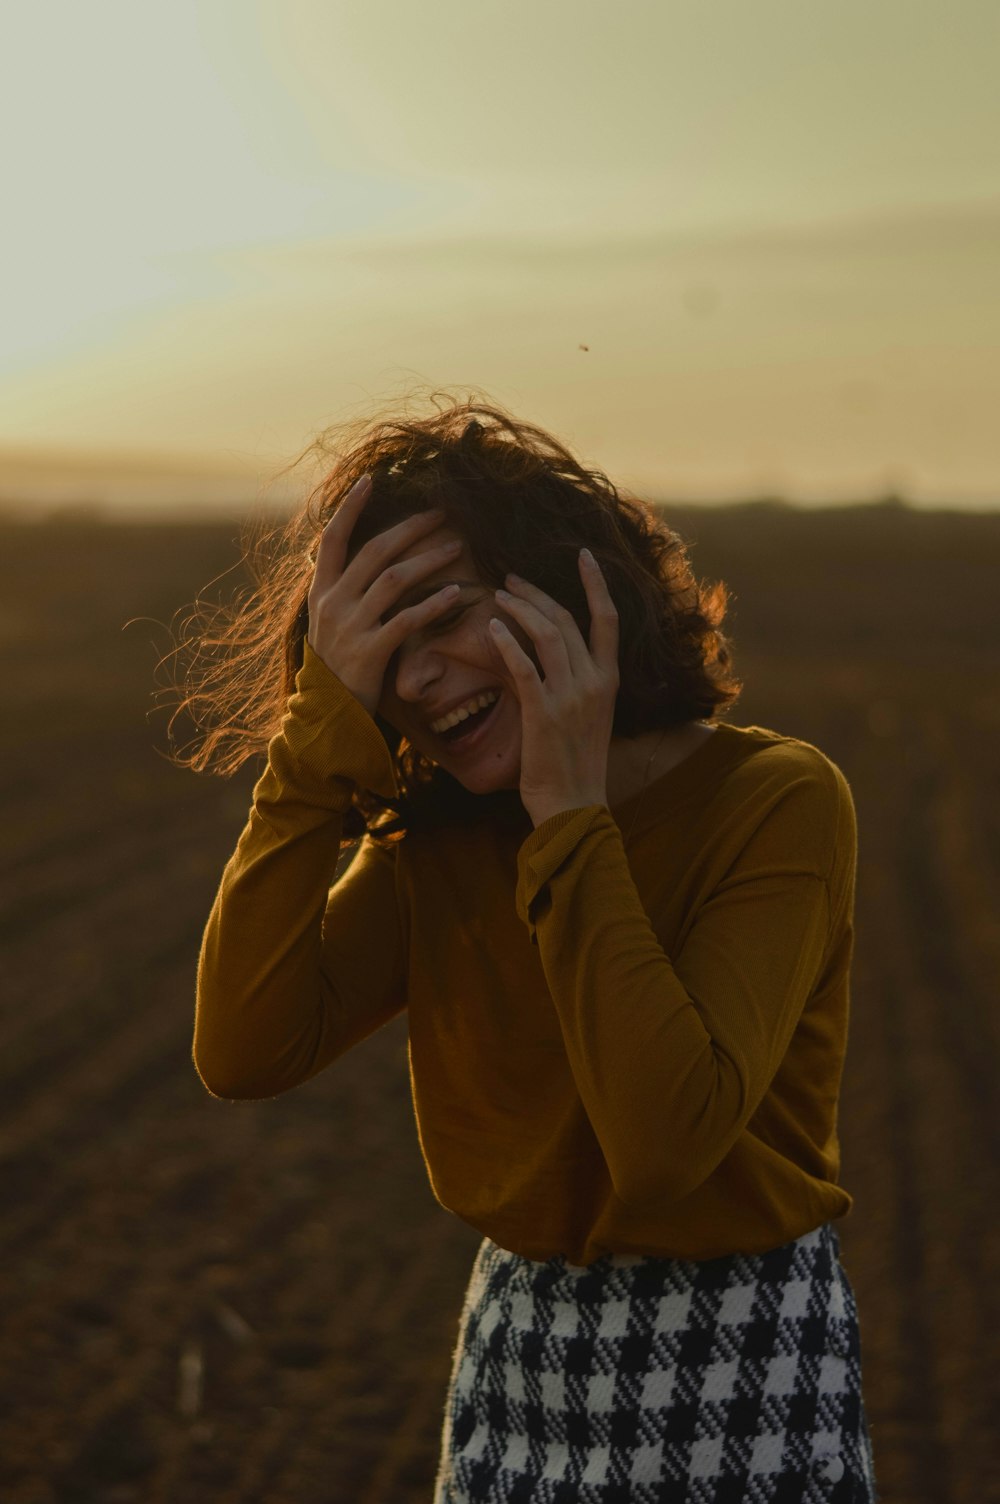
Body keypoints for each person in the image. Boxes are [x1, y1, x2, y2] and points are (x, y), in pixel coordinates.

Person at [185, 393, 878, 1502]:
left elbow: (665, 1142)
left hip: (742, 1341)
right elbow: (244, 1050)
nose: (415, 682)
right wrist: (315, 755)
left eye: (446, 619)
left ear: (566, 592)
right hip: (520, 1340)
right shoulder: (444, 839)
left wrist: (568, 816)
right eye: (382, 652)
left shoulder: (774, 799)